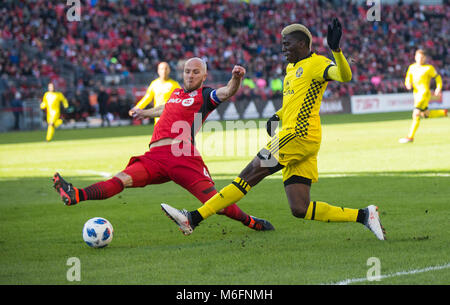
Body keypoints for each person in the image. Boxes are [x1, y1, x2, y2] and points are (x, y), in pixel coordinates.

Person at [161, 18, 386, 240]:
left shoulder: (318, 63)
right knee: (300, 208)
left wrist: (336, 50)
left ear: (301, 44)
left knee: (248, 176)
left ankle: (193, 217)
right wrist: (277, 115)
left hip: (297, 135)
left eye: (287, 44)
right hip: (297, 138)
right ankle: (365, 215)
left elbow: (345, 76)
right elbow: (295, 100)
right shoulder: (291, 68)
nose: (283, 49)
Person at [52, 58, 274, 232]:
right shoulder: (176, 93)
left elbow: (227, 91)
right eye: (188, 71)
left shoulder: (206, 95)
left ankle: (252, 222)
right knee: (121, 179)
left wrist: (236, 78)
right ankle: (76, 194)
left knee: (218, 204)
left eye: (196, 71)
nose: (191, 75)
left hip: (182, 156)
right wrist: (144, 112)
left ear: (204, 75)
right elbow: (165, 108)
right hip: (155, 156)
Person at [399, 49, 445, 144]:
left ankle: (410, 137)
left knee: (415, 114)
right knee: (425, 114)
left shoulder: (429, 68)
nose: (420, 59)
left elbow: (438, 77)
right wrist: (408, 83)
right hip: (416, 95)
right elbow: (408, 77)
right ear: (415, 57)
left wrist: (438, 88)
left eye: (422, 57)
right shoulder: (412, 67)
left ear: (425, 58)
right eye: (418, 57)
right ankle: (444, 112)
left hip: (424, 94)